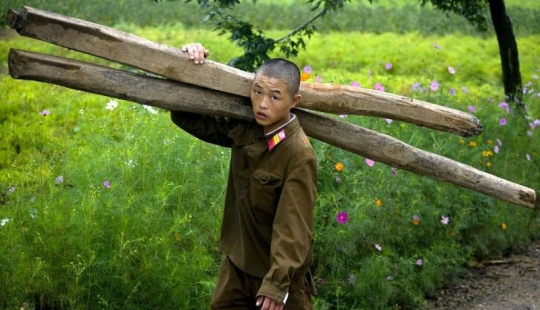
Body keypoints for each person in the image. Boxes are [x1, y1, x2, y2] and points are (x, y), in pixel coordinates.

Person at [172, 43, 318, 310]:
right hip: (238, 265)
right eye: (257, 92)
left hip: (279, 276)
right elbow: (188, 117)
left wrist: (276, 284)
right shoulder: (247, 127)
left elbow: (294, 226)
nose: (262, 104)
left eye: (274, 97)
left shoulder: (298, 154)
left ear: (293, 101)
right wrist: (189, 67)